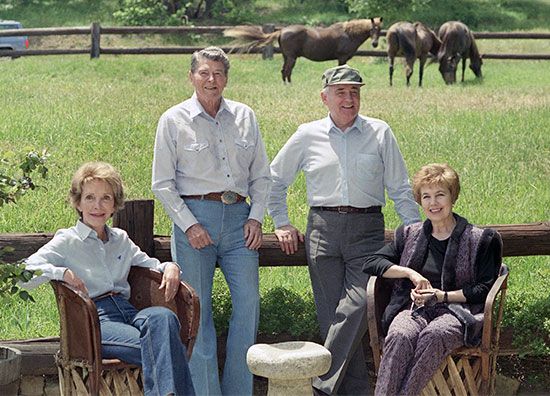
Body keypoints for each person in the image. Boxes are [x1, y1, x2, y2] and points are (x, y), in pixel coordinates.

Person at [268, 64, 421, 395]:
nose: (349, 99)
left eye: (355, 92)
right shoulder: (307, 134)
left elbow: (400, 188)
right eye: (341, 92)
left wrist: (415, 230)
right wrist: (280, 222)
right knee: (333, 320)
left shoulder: (380, 132)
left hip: (367, 231)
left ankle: (318, 385)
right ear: (325, 98)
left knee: (354, 309)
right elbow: (274, 180)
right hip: (322, 229)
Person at [152, 46, 270, 395]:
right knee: (197, 314)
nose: (211, 80)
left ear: (227, 78)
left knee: (248, 306)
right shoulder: (173, 120)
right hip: (195, 220)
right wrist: (189, 224)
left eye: (218, 73)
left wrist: (257, 218)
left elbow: (262, 176)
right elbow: (161, 183)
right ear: (191, 77)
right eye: (204, 72)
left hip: (239, 220)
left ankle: (239, 391)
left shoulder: (245, 116)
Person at [24, 161, 195, 396]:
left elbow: (152, 266)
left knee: (163, 318)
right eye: (90, 198)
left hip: (130, 312)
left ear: (115, 204)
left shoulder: (120, 239)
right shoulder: (67, 241)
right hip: (95, 320)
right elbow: (25, 272)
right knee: (164, 345)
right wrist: (61, 272)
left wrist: (172, 267)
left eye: (106, 198)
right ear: (78, 202)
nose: (98, 206)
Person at [363, 163, 503, 396]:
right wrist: (410, 273)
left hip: (458, 311)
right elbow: (372, 263)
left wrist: (442, 296)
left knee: (434, 335)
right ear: (420, 201)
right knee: (399, 334)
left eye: (440, 195)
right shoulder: (410, 234)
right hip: (415, 308)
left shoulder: (480, 239)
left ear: (452, 197)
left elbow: (483, 288)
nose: (433, 203)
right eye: (426, 196)